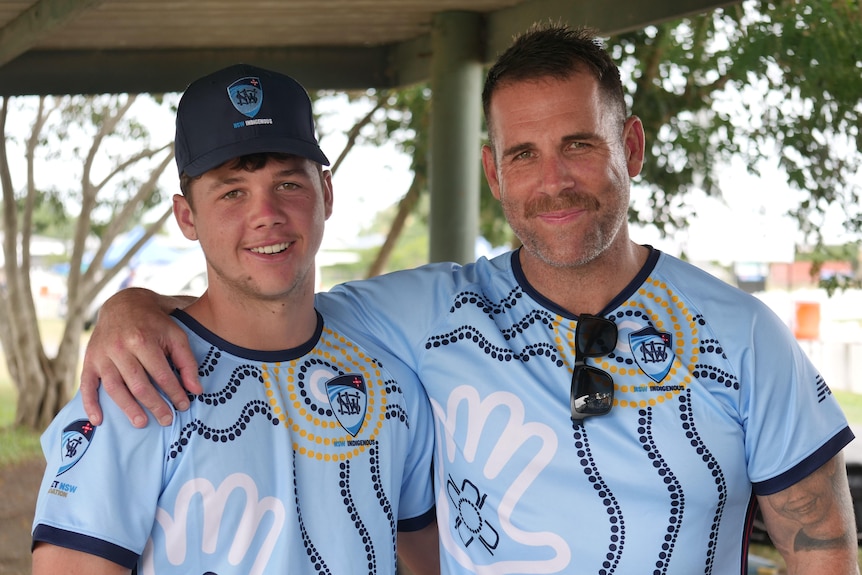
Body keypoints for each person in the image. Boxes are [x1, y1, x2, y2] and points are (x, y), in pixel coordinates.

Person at [79, 25, 860, 574]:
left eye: (579, 145)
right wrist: (133, 306)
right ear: (493, 174)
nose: (552, 180)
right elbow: (260, 294)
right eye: (523, 153)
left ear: (631, 149)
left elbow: (822, 542)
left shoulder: (742, 333)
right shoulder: (419, 315)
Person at [31, 64, 439, 575]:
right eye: (232, 193)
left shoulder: (389, 379)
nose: (266, 213)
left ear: (327, 195)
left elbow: (426, 558)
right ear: (187, 217)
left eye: (288, 183)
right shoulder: (133, 385)